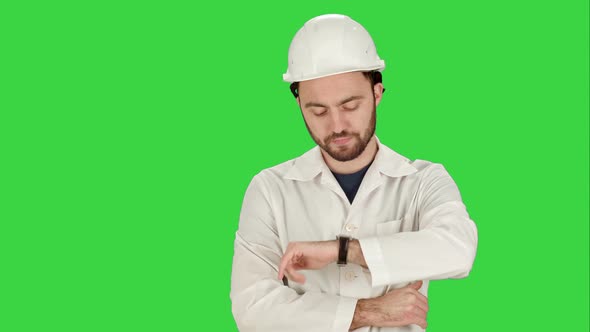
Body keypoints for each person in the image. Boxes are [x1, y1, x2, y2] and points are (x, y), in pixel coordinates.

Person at [230, 14, 478, 332]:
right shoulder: (269, 189)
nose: (336, 126)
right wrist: (367, 312)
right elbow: (252, 309)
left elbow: (457, 249)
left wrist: (345, 251)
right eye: (318, 110)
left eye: (349, 106)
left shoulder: (423, 181)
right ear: (300, 104)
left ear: (377, 93)